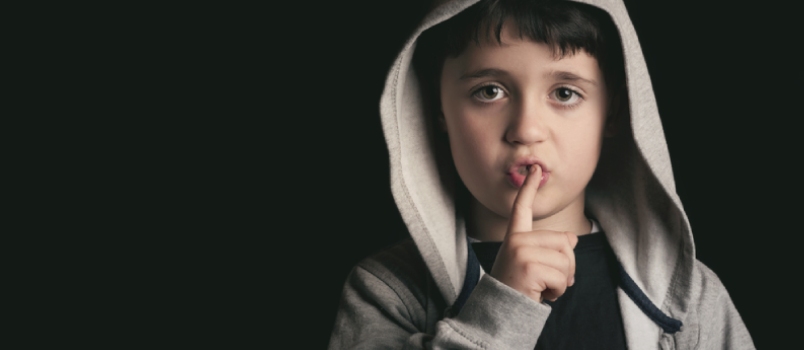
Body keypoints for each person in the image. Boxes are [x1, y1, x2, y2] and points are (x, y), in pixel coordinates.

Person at [329, 0, 754, 348]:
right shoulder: (389, 291)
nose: (527, 130)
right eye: (489, 91)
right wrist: (502, 310)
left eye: (565, 93)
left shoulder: (689, 299)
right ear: (437, 108)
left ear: (613, 111)